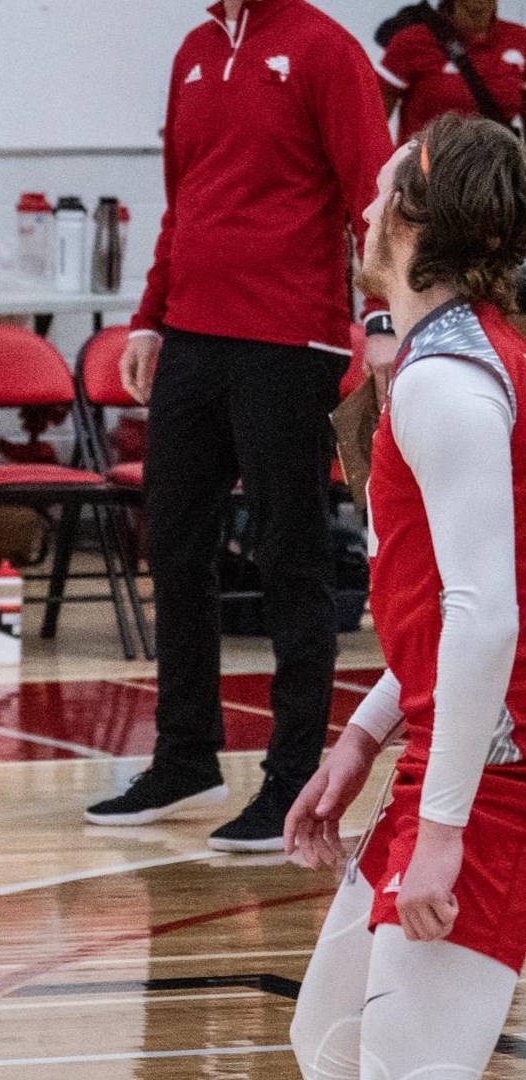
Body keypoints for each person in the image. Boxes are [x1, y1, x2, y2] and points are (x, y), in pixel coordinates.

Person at [86, 0, 397, 852]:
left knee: (288, 555)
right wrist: (148, 316)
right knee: (174, 546)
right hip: (190, 334)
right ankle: (186, 755)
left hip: (287, 341)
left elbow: (371, 191)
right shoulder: (191, 50)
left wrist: (378, 316)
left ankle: (293, 781)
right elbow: (182, 201)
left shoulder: (324, 50)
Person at [285, 113, 526, 1079]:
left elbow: (485, 620)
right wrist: (357, 743)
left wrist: (442, 837)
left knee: (398, 1070)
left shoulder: (446, 383)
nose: (365, 208)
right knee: (331, 1044)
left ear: (414, 222)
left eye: (381, 191)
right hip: (460, 756)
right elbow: (447, 617)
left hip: (493, 778)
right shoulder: (460, 359)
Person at [379, 0, 526, 144]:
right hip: (425, 161)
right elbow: (375, 116)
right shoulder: (411, 41)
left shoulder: (519, 39)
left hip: (494, 162)